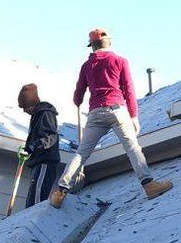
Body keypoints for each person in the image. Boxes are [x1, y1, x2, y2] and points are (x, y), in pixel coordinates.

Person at [50, 28, 172, 208]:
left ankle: (60, 191)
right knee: (132, 147)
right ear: (109, 43)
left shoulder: (86, 66)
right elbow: (128, 89)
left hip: (95, 113)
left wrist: (77, 100)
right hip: (117, 109)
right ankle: (149, 185)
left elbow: (78, 95)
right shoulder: (120, 61)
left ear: (92, 46)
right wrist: (134, 117)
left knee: (81, 153)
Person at [17, 83, 60, 207]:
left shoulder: (45, 114)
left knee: (35, 202)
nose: (25, 111)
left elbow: (50, 137)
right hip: (38, 162)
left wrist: (33, 146)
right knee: (32, 199)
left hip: (45, 162)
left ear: (33, 103)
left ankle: (32, 224)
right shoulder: (37, 115)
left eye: (26, 107)